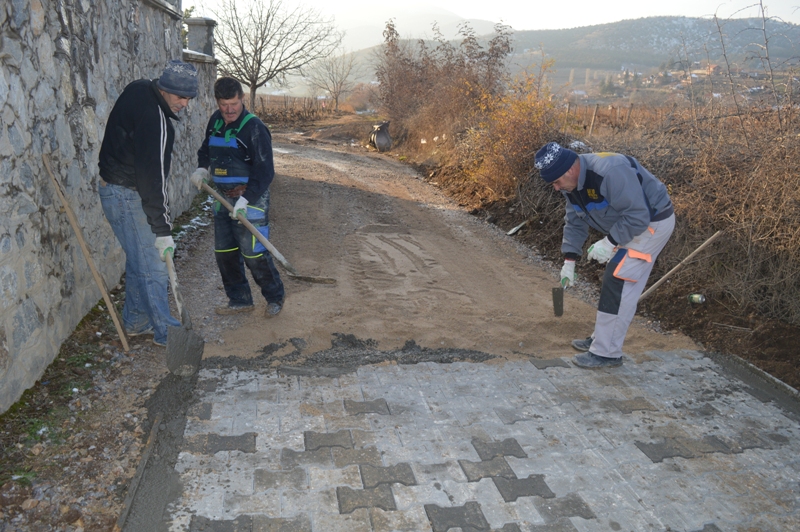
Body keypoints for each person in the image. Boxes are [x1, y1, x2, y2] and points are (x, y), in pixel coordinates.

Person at [534, 142, 675, 369]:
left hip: (652, 222)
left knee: (618, 279)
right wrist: (569, 260)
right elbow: (574, 221)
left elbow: (639, 215)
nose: (556, 189)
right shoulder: (572, 185)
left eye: (556, 182)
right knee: (616, 278)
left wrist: (609, 242)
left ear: (569, 170)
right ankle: (603, 337)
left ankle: (606, 352)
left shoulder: (609, 171)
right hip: (629, 224)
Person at [98, 60, 198, 347]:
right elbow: (153, 182)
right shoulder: (156, 120)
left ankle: (136, 320)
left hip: (111, 187)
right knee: (154, 265)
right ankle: (169, 333)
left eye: (189, 98)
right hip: (128, 194)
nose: (184, 104)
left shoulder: (139, 88)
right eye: (180, 97)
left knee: (139, 258)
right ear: (165, 89)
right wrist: (162, 230)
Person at [191, 77, 285, 317]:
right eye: (224, 104)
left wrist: (246, 199)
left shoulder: (255, 128)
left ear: (242, 99)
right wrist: (203, 169)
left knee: (254, 254)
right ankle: (240, 300)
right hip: (221, 200)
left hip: (250, 201)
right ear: (217, 102)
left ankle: (275, 298)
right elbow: (205, 150)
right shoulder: (215, 121)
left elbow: (265, 171)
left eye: (233, 103)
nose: (229, 110)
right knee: (225, 253)